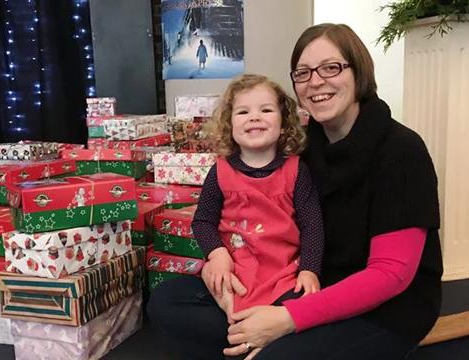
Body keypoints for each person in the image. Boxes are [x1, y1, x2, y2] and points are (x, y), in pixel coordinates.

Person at [148, 23, 442, 360]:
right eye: (302, 73)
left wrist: (287, 319)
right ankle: (252, 336)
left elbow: (390, 276)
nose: (315, 81)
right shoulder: (302, 146)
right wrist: (221, 268)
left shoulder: (401, 151)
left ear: (359, 70)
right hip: (297, 284)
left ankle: (260, 341)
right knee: (168, 301)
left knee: (276, 355)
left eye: (331, 67)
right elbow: (239, 221)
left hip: (384, 308)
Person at [148, 73, 325, 359]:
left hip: (282, 280)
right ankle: (245, 337)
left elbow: (312, 225)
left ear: (283, 124)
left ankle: (259, 337)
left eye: (266, 110)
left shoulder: (296, 171)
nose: (254, 117)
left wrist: (310, 269)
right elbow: (203, 220)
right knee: (164, 300)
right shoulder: (220, 171)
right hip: (232, 280)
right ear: (230, 125)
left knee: (307, 315)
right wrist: (217, 254)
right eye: (243, 112)